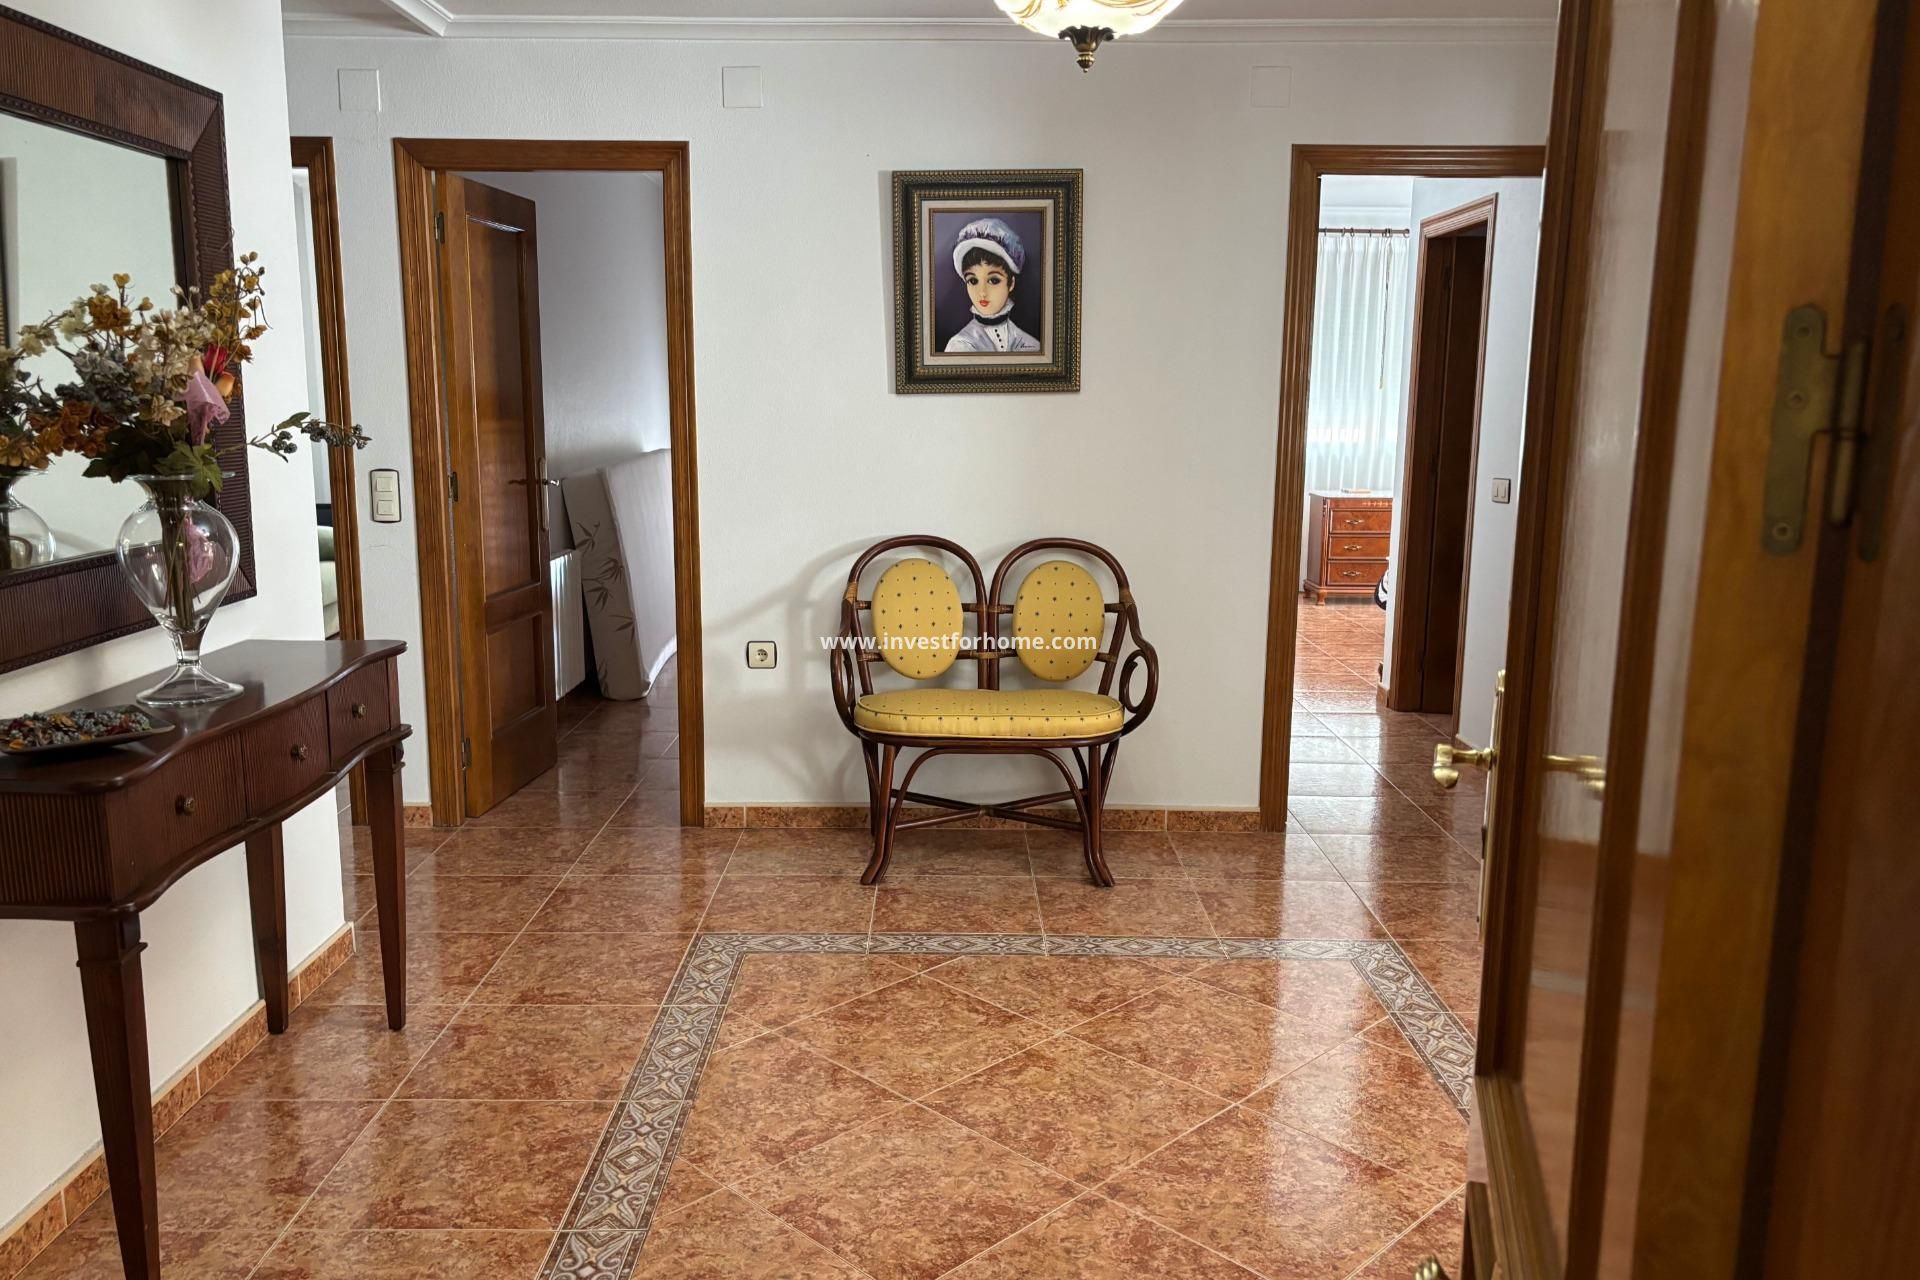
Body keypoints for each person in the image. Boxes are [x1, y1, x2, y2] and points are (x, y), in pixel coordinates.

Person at [944, 217, 1041, 353]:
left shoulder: (1031, 345)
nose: (982, 292)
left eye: (993, 280)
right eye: (973, 281)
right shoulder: (959, 345)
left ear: (1011, 283)